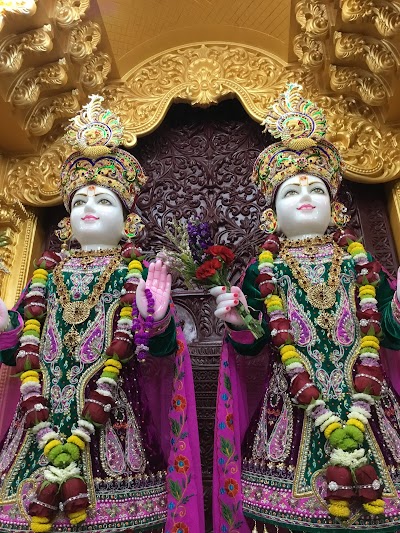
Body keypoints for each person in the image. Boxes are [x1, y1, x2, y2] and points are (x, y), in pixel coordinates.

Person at [0, 95, 203, 533]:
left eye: (104, 201)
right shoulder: (45, 277)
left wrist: (158, 321)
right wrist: (5, 327)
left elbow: (157, 355)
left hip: (116, 420)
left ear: (128, 221)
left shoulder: (137, 277)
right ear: (66, 220)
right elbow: (18, 354)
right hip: (40, 425)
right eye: (79, 202)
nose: (89, 208)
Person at [212, 84, 400, 533]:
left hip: (368, 400)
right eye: (291, 190)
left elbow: (387, 333)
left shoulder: (361, 264)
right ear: (271, 212)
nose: (305, 196)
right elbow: (254, 343)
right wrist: (239, 322)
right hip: (292, 408)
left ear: (334, 207)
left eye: (315, 188)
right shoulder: (263, 271)